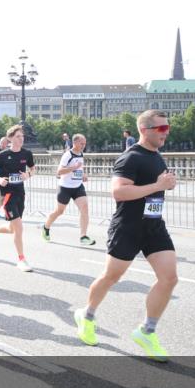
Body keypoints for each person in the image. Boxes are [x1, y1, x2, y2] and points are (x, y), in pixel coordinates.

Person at [76, 110, 178, 361]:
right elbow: (119, 192)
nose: (167, 132)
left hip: (153, 226)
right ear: (145, 130)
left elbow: (154, 190)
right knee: (112, 276)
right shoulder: (130, 157)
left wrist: (165, 185)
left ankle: (147, 331)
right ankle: (87, 315)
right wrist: (158, 186)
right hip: (128, 226)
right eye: (162, 129)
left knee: (169, 278)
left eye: (168, 127)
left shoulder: (157, 156)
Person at [0, 124, 36, 272]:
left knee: (12, 228)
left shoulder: (27, 154)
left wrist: (28, 175)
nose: (21, 139)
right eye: (18, 137)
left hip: (20, 193)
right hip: (7, 195)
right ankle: (21, 259)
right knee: (19, 228)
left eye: (22, 136)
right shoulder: (2, 155)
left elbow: (33, 169)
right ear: (10, 138)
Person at [42, 133, 95, 245]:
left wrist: (83, 174)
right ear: (75, 143)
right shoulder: (67, 155)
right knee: (59, 211)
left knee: (85, 208)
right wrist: (73, 168)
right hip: (65, 188)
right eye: (81, 143)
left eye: (85, 143)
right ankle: (46, 227)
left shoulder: (80, 153)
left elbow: (80, 167)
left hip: (77, 187)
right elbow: (59, 172)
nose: (83, 145)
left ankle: (83, 236)